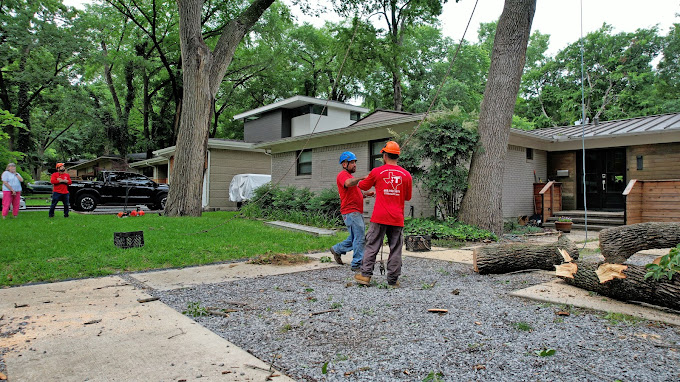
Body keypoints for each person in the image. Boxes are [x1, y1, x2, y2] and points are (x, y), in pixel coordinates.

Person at [355, 141, 412, 287]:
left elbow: (362, 186)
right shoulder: (406, 175)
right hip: (397, 218)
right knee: (396, 248)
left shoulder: (377, 172)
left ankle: (365, 276)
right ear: (397, 156)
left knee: (372, 245)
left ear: (385, 155)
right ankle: (393, 280)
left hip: (379, 217)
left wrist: (371, 178)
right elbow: (407, 197)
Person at [329, 151, 374, 271]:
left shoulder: (351, 177)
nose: (354, 165)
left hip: (354, 211)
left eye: (355, 162)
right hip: (351, 211)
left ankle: (337, 249)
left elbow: (355, 193)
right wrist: (362, 178)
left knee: (356, 237)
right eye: (352, 162)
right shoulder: (343, 175)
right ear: (344, 164)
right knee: (359, 237)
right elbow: (348, 184)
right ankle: (357, 264)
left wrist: (366, 194)